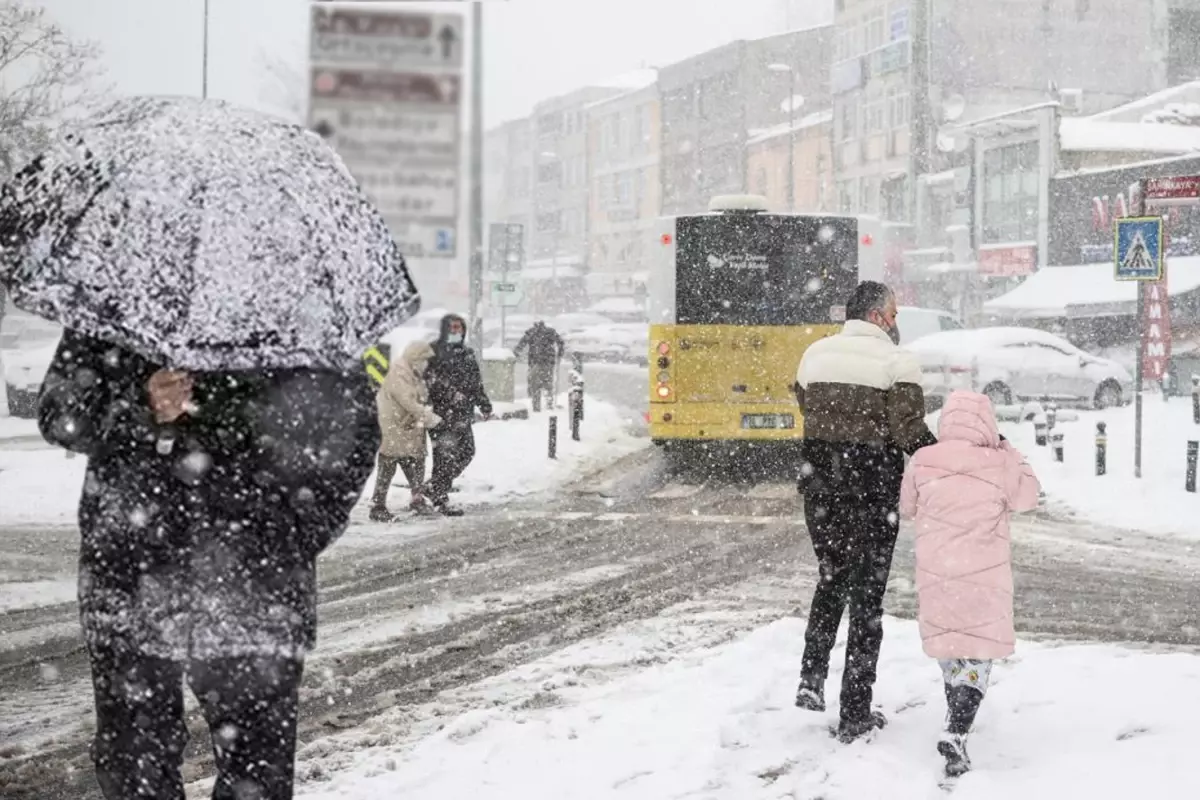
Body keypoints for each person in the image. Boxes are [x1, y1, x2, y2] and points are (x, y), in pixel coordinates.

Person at [37, 329, 379, 800]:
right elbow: (59, 415)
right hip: (131, 573)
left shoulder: (301, 314)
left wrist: (296, 532)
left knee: (256, 772)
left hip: (258, 579)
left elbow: (355, 431)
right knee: (135, 765)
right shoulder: (118, 310)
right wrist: (140, 403)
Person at [792, 280, 937, 743]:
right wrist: (947, 458)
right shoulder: (898, 362)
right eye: (893, 314)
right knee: (867, 598)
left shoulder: (814, 355)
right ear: (876, 316)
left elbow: (808, 406)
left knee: (831, 577)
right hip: (873, 493)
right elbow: (909, 430)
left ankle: (811, 677)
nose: (895, 323)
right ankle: (854, 711)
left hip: (821, 490)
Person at [900, 390, 1040, 777]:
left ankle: (955, 717)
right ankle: (957, 729)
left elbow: (906, 507)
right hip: (984, 581)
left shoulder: (923, 459)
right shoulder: (999, 462)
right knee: (977, 656)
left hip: (938, 576)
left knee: (951, 649)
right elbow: (1029, 496)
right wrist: (1009, 450)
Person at [425, 314, 492, 516]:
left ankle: (435, 485)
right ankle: (440, 496)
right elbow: (429, 381)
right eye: (452, 327)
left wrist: (484, 404)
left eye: (459, 328)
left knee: (467, 451)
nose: (456, 331)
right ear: (444, 329)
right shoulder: (434, 352)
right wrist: (449, 394)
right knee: (444, 456)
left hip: (462, 414)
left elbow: (475, 383)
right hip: (441, 414)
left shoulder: (466, 354)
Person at [369, 340, 442, 522]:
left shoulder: (413, 373)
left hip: (408, 426)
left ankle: (417, 499)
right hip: (394, 426)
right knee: (389, 464)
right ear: (414, 358)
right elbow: (408, 401)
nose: (426, 364)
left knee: (415, 462)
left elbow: (421, 397)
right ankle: (378, 506)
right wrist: (431, 419)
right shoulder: (399, 373)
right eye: (424, 360)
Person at [513, 320, 565, 412]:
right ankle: (549, 404)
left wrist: (515, 353)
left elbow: (522, 343)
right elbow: (560, 342)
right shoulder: (550, 332)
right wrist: (560, 353)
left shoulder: (532, 332)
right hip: (548, 361)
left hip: (535, 362)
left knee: (535, 385)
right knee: (548, 383)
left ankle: (536, 407)